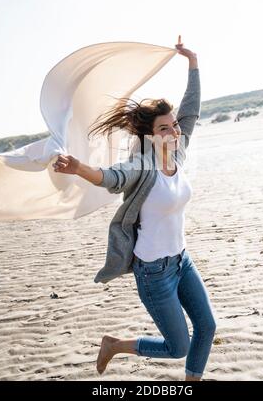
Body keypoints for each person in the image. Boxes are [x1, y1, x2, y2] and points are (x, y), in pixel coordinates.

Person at [52, 36, 216, 381]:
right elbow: (111, 177)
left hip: (181, 261)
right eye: (164, 128)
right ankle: (114, 345)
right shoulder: (142, 166)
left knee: (207, 326)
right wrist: (79, 168)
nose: (173, 131)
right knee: (178, 346)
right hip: (154, 271)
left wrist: (193, 63)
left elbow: (191, 110)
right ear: (149, 135)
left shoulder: (178, 151)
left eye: (173, 125)